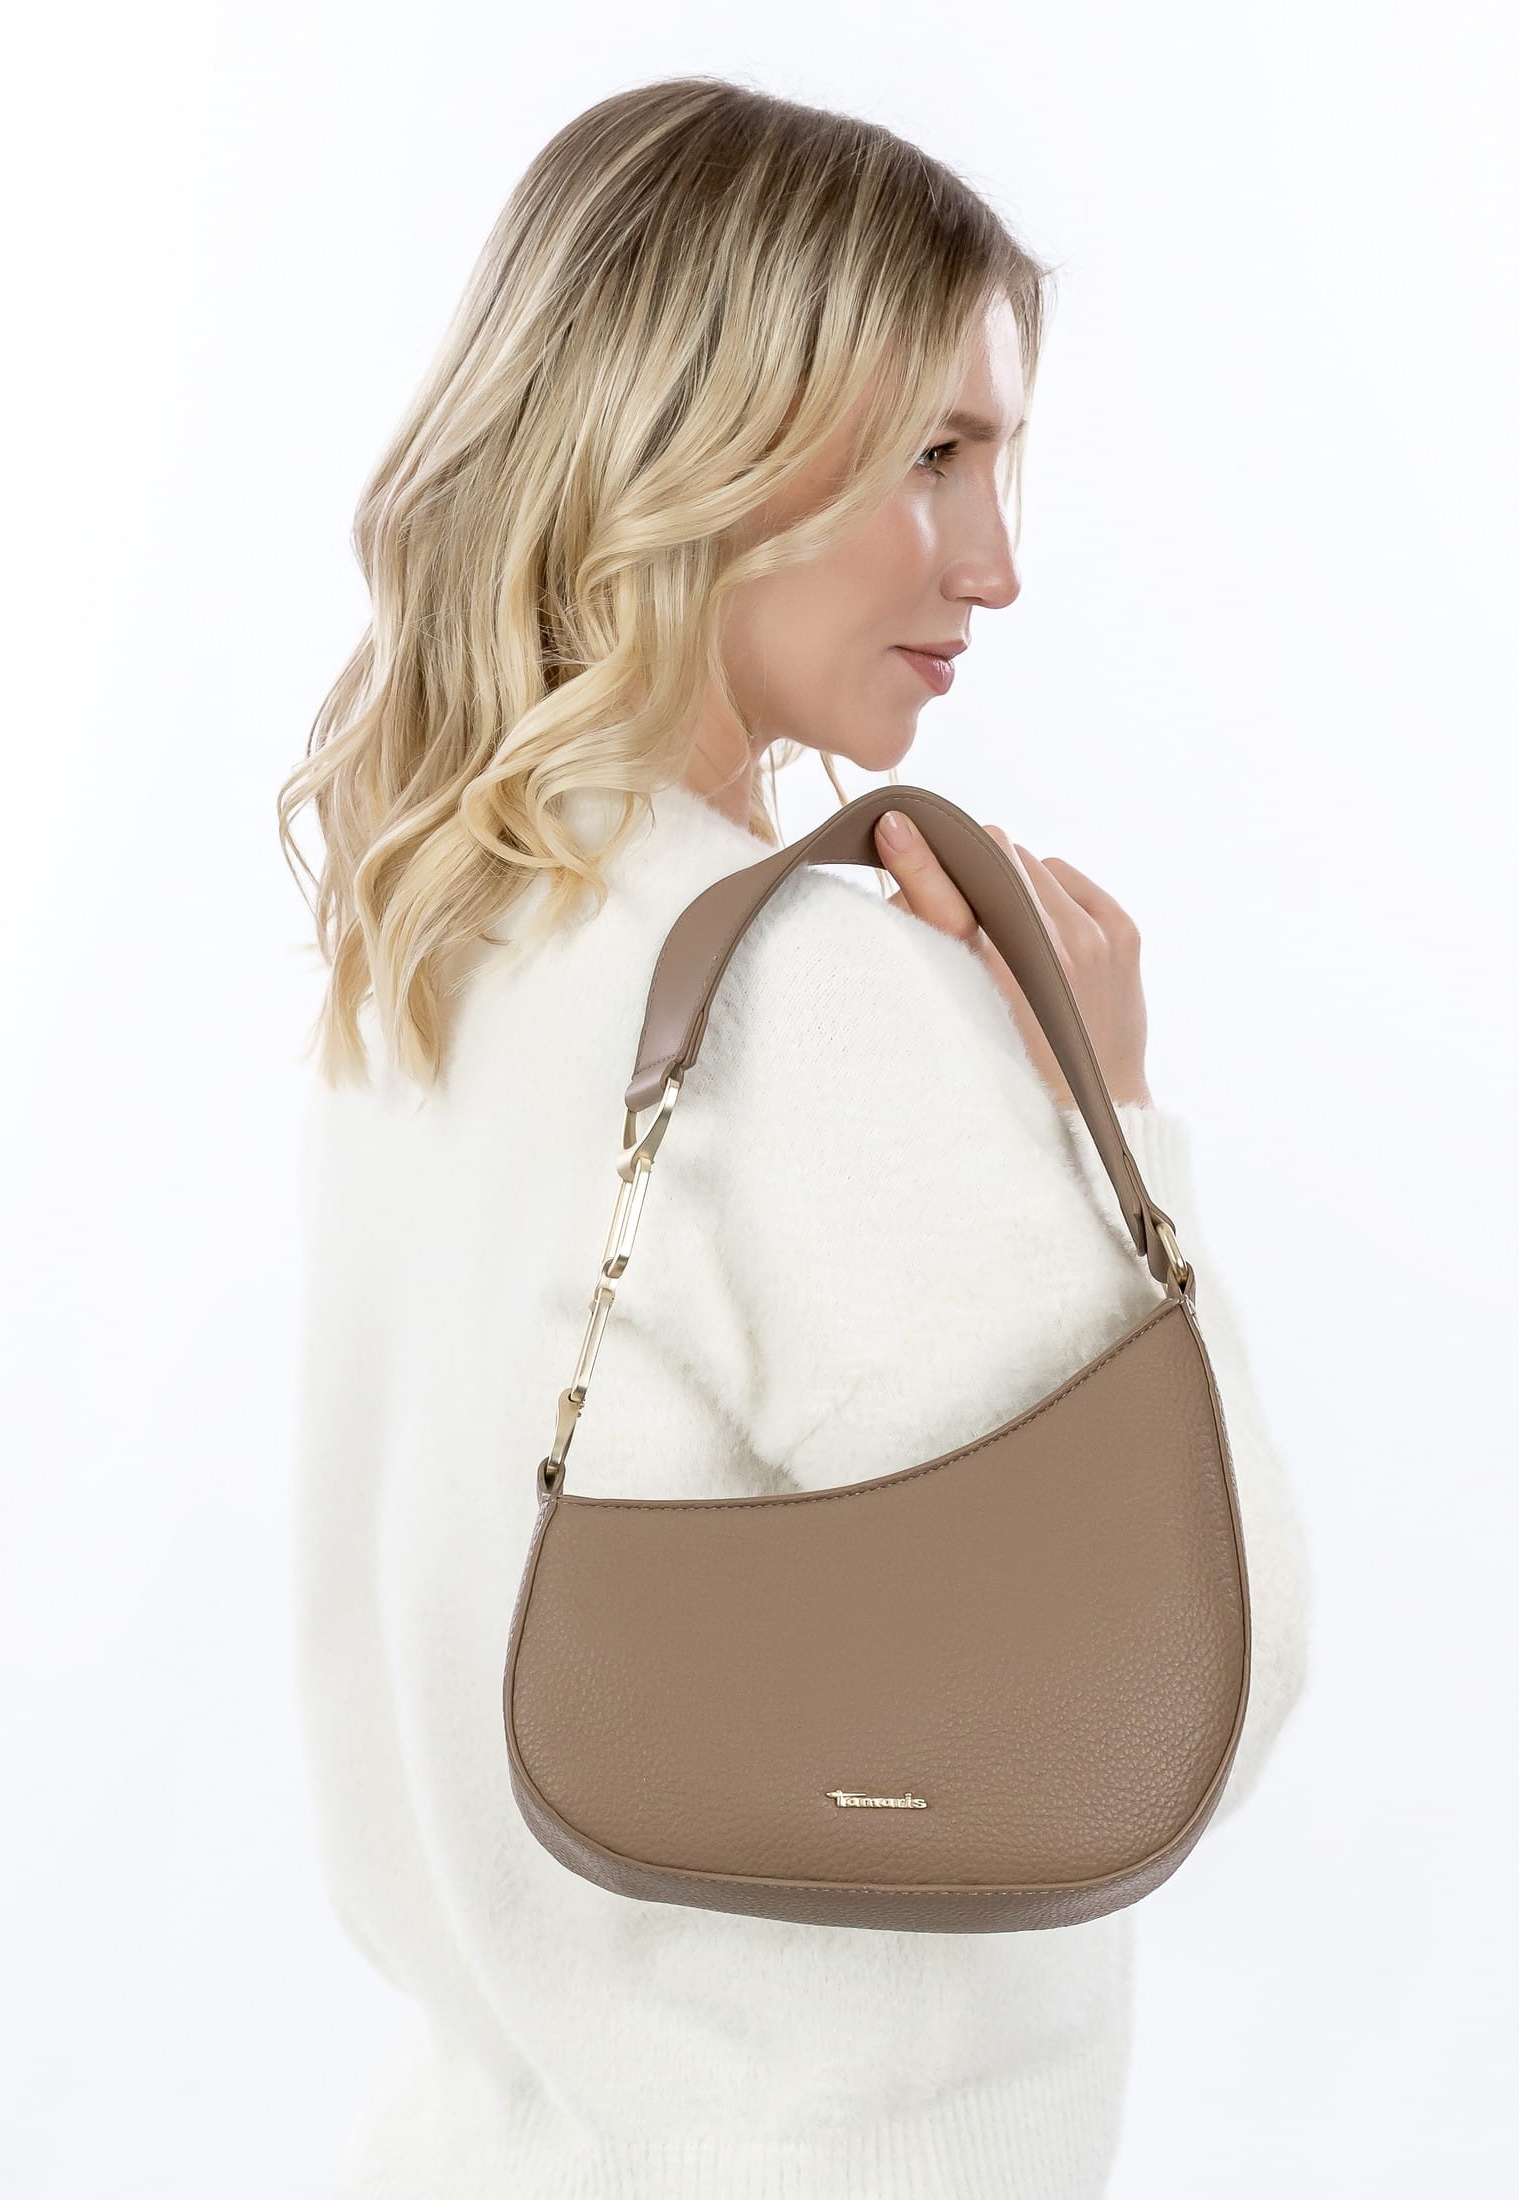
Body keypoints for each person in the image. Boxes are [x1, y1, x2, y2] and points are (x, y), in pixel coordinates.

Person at [279, 73, 1313, 2200]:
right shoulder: (806, 999)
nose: (996, 564)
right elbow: (1208, 1680)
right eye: (937, 454)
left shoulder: (426, 953)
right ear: (705, 440)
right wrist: (1116, 1125)